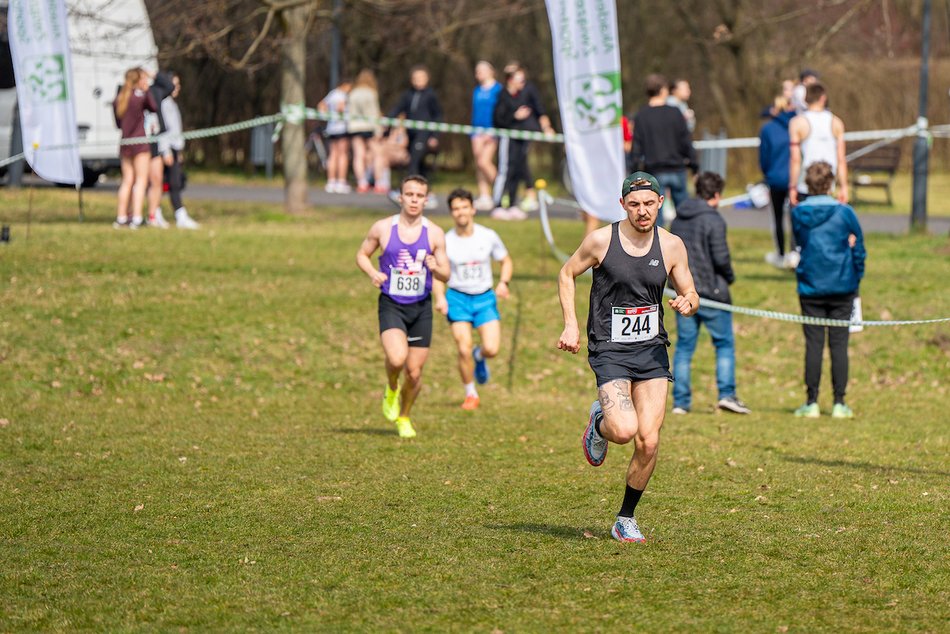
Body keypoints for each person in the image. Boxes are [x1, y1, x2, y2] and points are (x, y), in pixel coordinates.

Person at [556, 171, 699, 543]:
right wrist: (571, 324)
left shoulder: (672, 246)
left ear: (661, 203)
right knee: (622, 430)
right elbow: (566, 274)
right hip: (610, 349)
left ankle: (625, 518)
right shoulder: (601, 240)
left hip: (651, 351)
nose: (642, 211)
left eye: (649, 203)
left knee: (648, 441)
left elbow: (690, 290)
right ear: (622, 205)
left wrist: (688, 301)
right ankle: (600, 421)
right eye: (634, 204)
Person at [355, 175, 450, 438]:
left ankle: (404, 416)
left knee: (415, 373)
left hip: (421, 308)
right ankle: (391, 387)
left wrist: (436, 268)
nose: (414, 200)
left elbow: (446, 274)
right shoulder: (383, 228)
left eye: (419, 196)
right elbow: (362, 255)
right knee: (397, 359)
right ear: (400, 197)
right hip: (392, 304)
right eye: (409, 194)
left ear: (426, 200)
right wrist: (373, 273)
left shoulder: (435, 233)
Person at [668, 172, 750, 416]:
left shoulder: (678, 218)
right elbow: (721, 258)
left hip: (684, 293)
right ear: (716, 195)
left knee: (684, 347)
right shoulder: (714, 220)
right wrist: (729, 278)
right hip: (713, 295)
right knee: (724, 344)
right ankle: (726, 394)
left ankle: (680, 402)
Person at [791, 161, 865, 419]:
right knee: (839, 345)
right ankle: (839, 403)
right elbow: (859, 247)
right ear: (831, 184)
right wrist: (856, 275)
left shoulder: (798, 213)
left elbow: (799, 242)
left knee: (813, 345)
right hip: (842, 285)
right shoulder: (845, 213)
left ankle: (811, 401)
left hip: (810, 285)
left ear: (807, 184)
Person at [433, 188, 513, 410]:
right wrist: (439, 298)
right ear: (451, 212)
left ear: (473, 209)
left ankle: (479, 356)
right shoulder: (445, 241)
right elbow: (438, 274)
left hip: (484, 298)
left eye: (464, 207)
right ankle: (471, 393)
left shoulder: (487, 235)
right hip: (457, 298)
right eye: (456, 209)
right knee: (462, 348)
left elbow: (505, 260)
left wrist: (503, 282)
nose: (461, 212)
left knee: (491, 349)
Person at [631, 74, 697, 226]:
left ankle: (658, 241)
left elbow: (637, 147)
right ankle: (684, 239)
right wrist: (694, 166)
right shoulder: (675, 112)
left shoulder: (641, 115)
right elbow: (686, 141)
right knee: (684, 214)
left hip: (654, 170)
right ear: (663, 90)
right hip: (677, 167)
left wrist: (635, 172)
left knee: (655, 215)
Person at [492, 63, 555, 219]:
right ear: (510, 80)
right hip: (508, 138)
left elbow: (539, 110)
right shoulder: (502, 95)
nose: (522, 83)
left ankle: (512, 204)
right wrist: (514, 116)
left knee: (517, 170)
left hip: (521, 138)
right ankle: (498, 204)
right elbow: (498, 119)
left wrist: (546, 127)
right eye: (519, 80)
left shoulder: (523, 95)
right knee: (506, 169)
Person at [387, 65, 443, 207]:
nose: (418, 81)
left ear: (427, 79)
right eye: (415, 78)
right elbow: (398, 109)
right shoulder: (407, 94)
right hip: (411, 134)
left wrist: (435, 136)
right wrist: (387, 121)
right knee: (420, 165)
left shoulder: (431, 95)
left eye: (421, 78)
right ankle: (427, 194)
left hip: (424, 134)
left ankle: (406, 193)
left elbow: (438, 116)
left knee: (413, 163)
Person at [788, 82, 848, 207]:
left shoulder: (797, 123)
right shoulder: (836, 122)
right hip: (828, 184)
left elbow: (795, 160)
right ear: (823, 98)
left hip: (805, 184)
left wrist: (792, 186)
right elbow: (841, 159)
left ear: (805, 99)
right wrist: (844, 186)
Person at [113, 68, 157, 229]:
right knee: (141, 180)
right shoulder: (140, 97)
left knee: (127, 181)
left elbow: (118, 124)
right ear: (137, 80)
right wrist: (147, 91)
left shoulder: (119, 98)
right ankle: (137, 217)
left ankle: (121, 217)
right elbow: (154, 107)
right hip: (140, 143)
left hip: (125, 142)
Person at [156, 73, 199, 229]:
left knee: (175, 182)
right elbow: (163, 129)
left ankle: (179, 215)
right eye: (175, 84)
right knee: (163, 183)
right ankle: (158, 213)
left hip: (174, 148)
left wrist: (178, 150)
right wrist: (166, 151)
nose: (177, 88)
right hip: (166, 149)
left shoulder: (172, 104)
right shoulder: (163, 104)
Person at [759, 96, 797, 268]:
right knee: (795, 217)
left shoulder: (768, 129)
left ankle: (781, 253)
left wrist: (767, 174)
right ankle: (794, 252)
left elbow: (764, 157)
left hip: (776, 179)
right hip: (794, 178)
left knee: (778, 217)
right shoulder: (797, 125)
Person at [144, 71, 175, 229]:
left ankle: (154, 214)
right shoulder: (131, 94)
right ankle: (130, 216)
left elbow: (170, 86)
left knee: (157, 179)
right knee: (139, 181)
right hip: (139, 142)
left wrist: (155, 74)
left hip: (155, 140)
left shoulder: (154, 91)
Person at [470, 61, 503, 211]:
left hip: (491, 131)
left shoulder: (498, 89)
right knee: (478, 163)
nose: (479, 74)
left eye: (482, 70)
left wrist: (493, 129)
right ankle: (484, 195)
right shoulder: (476, 90)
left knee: (484, 162)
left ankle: (501, 189)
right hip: (476, 130)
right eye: (477, 71)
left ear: (491, 71)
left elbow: (500, 111)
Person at [348, 69, 383, 194]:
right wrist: (378, 130)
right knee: (378, 154)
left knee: (359, 155)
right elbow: (374, 113)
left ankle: (361, 183)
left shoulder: (353, 93)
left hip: (355, 127)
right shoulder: (371, 93)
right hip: (369, 127)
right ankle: (379, 183)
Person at [319, 78, 353, 193]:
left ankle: (331, 181)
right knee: (342, 155)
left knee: (333, 155)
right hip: (342, 128)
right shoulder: (342, 95)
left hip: (331, 128)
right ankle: (341, 182)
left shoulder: (332, 94)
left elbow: (321, 105)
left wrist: (325, 116)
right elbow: (340, 108)